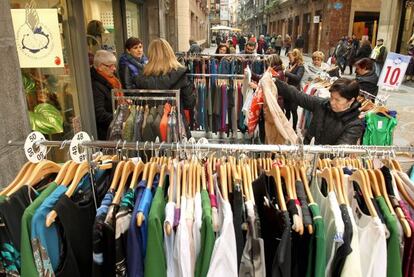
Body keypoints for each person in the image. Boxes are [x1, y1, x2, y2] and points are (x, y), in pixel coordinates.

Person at [133, 38, 196, 138]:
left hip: (150, 124)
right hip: (175, 123)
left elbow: (138, 102)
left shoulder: (141, 77)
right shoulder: (180, 73)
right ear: (169, 52)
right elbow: (190, 103)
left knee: (153, 152)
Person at [273, 77, 363, 145]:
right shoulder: (323, 104)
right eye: (331, 97)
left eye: (337, 100)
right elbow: (298, 96)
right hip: (307, 151)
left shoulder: (354, 124)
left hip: (325, 165)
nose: (332, 102)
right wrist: (274, 82)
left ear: (351, 100)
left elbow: (340, 150)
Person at [91, 50, 122, 140]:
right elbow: (100, 114)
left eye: (114, 65)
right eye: (110, 66)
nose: (114, 68)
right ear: (100, 67)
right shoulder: (96, 86)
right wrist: (120, 120)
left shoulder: (112, 78)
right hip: (106, 133)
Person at [284, 49, 305, 130]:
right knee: (287, 110)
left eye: (290, 57)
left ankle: (294, 129)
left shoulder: (301, 67)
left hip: (294, 91)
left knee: (293, 110)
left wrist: (286, 73)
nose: (289, 59)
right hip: (287, 90)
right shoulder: (290, 64)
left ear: (296, 57)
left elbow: (297, 78)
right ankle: (285, 128)